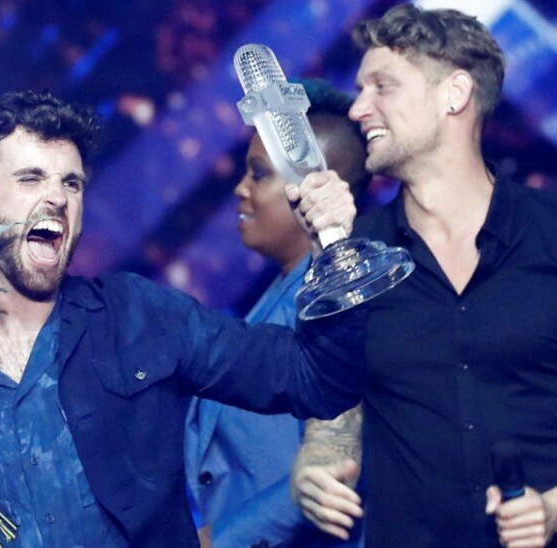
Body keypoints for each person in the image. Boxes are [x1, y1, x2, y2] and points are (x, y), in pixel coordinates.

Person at [0, 89, 365, 547]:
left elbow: (314, 380)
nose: (57, 197)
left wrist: (334, 247)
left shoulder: (140, 314)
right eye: (30, 177)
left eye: (72, 183)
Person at [288, 5, 557, 547]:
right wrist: (315, 464)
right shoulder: (355, 259)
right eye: (360, 89)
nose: (359, 108)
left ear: (454, 94)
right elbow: (337, 402)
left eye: (382, 86)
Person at [184, 80, 368, 548]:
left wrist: (219, 540)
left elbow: (339, 460)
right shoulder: (284, 290)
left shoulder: (335, 300)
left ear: (316, 184)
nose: (241, 189)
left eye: (259, 174)